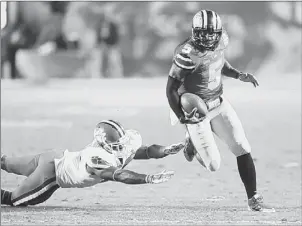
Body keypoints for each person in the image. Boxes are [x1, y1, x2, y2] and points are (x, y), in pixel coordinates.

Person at [166, 9, 274, 212]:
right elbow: (170, 89)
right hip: (195, 111)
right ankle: (192, 140)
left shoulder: (222, 40)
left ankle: (254, 199)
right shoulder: (187, 53)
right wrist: (183, 117)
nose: (206, 37)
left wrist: (238, 75)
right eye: (202, 32)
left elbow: (218, 62)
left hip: (218, 102)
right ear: (193, 31)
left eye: (210, 32)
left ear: (218, 32)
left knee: (242, 146)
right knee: (213, 165)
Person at [1, 119, 183, 207]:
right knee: (14, 200)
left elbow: (145, 150)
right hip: (51, 173)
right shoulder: (96, 158)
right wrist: (147, 178)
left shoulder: (120, 146)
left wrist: (165, 151)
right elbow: (119, 175)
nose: (123, 148)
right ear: (105, 143)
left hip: (54, 156)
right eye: (117, 145)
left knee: (6, 163)